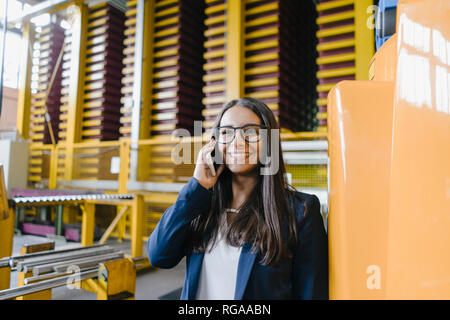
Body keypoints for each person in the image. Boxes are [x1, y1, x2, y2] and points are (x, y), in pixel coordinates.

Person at [148, 98, 328, 300]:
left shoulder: (301, 211)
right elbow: (159, 256)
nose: (237, 142)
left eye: (250, 132)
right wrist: (197, 186)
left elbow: (312, 293)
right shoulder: (201, 205)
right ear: (214, 143)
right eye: (226, 132)